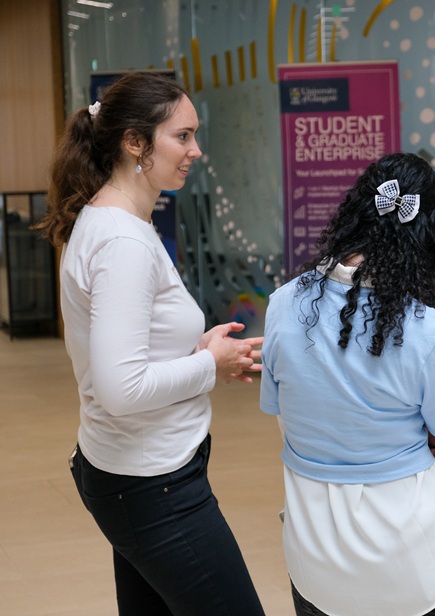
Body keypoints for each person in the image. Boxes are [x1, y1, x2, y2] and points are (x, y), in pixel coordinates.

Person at [33, 71, 265, 615]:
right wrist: (209, 365)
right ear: (135, 142)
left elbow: (124, 355)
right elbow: (121, 387)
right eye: (181, 137)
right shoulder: (123, 242)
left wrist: (197, 353)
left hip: (133, 476)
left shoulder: (111, 221)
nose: (195, 150)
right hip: (152, 488)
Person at [259, 152, 435, 616]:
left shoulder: (283, 304)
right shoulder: (433, 330)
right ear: (431, 238)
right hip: (419, 566)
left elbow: (280, 408)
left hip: (316, 561)